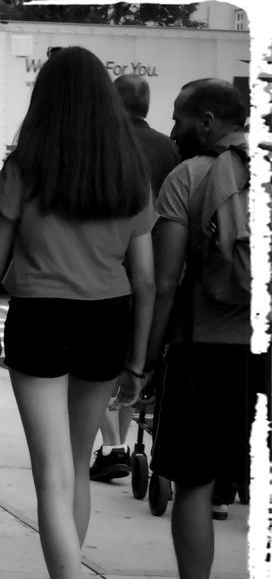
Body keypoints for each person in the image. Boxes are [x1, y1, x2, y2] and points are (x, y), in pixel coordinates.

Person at [0, 47, 156, 579]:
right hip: (109, 318)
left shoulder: (27, 165)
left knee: (50, 472)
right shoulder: (128, 171)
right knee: (76, 468)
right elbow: (147, 277)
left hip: (42, 316)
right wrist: (137, 358)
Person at [142, 78, 262, 579]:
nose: (173, 130)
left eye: (181, 119)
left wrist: (143, 359)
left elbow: (163, 284)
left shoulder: (187, 178)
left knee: (194, 484)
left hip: (205, 347)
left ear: (208, 121)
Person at [90, 74, 180, 483]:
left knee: (98, 363)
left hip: (105, 267)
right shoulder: (168, 149)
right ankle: (120, 440)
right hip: (156, 265)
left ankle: (112, 446)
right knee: (132, 358)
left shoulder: (103, 143)